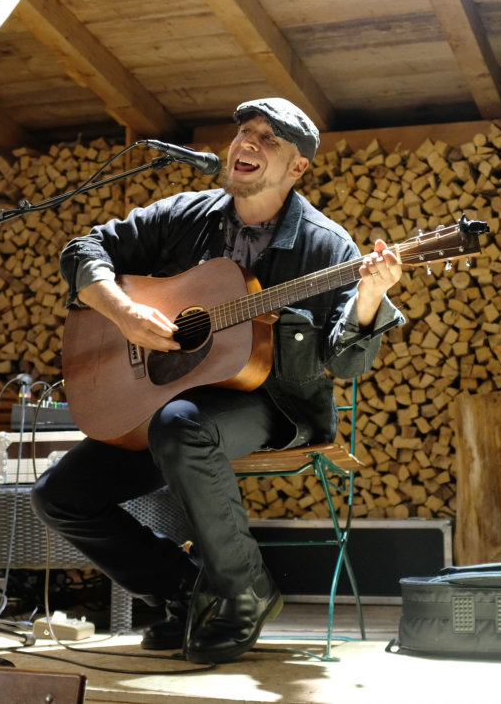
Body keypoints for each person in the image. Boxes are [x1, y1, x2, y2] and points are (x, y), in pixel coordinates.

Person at [32, 98, 405, 663]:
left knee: (180, 427)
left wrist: (371, 298)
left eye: (268, 139)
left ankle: (246, 590)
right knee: (60, 496)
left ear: (297, 168)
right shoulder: (186, 215)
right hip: (166, 400)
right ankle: (185, 593)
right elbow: (84, 248)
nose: (246, 143)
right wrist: (123, 313)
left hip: (273, 404)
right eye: (244, 132)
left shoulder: (327, 247)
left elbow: (346, 364)